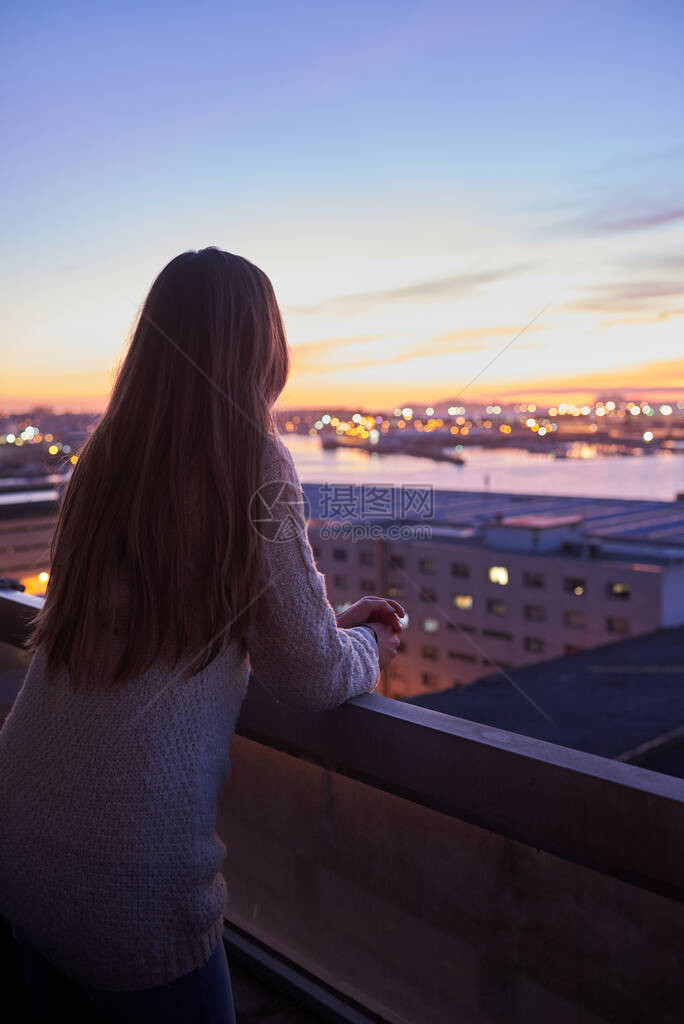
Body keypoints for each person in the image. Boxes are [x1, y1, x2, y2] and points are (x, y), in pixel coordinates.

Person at [0, 248, 403, 1021]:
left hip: (20, 837)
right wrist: (368, 648)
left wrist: (322, 627)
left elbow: (169, 617)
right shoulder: (252, 460)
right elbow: (313, 678)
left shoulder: (103, 461)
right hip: (126, 883)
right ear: (262, 345)